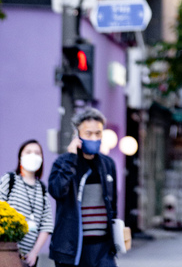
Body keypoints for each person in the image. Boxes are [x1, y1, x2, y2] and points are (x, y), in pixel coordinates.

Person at [48, 107, 118, 267]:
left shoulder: (108, 164)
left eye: (98, 133)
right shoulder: (63, 162)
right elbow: (57, 190)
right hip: (72, 248)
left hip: (102, 249)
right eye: (88, 133)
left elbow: (113, 205)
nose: (94, 137)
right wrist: (72, 157)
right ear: (77, 135)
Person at [0, 140, 53, 264]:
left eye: (37, 153)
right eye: (28, 152)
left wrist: (34, 252)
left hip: (28, 258)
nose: (33, 156)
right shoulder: (10, 180)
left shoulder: (42, 189)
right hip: (6, 252)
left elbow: (46, 224)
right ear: (20, 157)